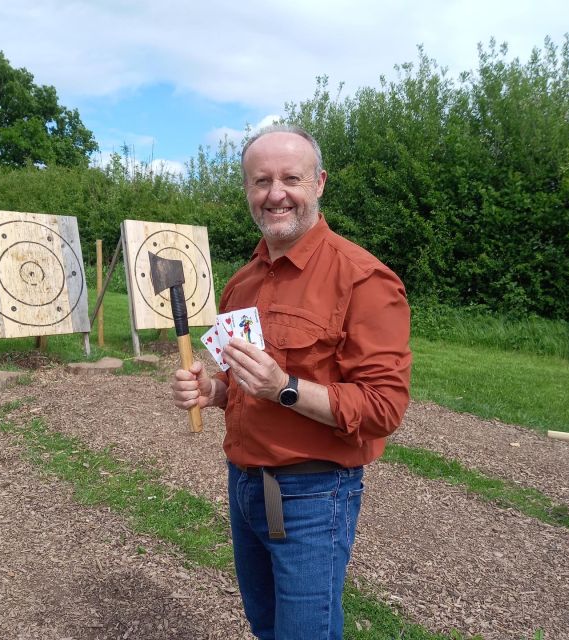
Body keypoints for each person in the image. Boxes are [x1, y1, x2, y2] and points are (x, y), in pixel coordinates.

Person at [171, 124, 411, 640]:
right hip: (244, 487)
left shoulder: (364, 279)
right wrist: (213, 392)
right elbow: (241, 384)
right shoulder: (241, 282)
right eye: (261, 181)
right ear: (247, 192)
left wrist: (286, 385)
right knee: (265, 627)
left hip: (313, 495)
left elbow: (383, 409)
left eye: (290, 178)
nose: (275, 193)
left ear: (319, 182)